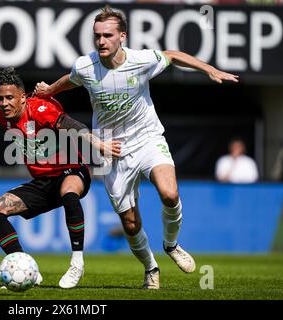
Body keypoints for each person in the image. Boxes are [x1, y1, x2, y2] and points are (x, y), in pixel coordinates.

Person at [34, 6, 239, 289]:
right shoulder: (86, 66)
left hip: (148, 138)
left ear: (123, 36)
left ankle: (171, 244)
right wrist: (48, 91)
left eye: (108, 35)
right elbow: (70, 81)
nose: (101, 41)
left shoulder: (141, 60)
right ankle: (150, 268)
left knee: (169, 193)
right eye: (97, 36)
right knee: (130, 223)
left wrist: (209, 69)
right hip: (112, 149)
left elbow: (173, 55)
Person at [0, 67, 120, 289]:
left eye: (10, 98)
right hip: (42, 183)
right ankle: (26, 267)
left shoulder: (40, 110)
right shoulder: (4, 116)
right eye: (1, 98)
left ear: (23, 98)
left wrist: (99, 144)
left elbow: (73, 125)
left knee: (70, 195)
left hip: (71, 171)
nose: (4, 103)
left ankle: (77, 263)